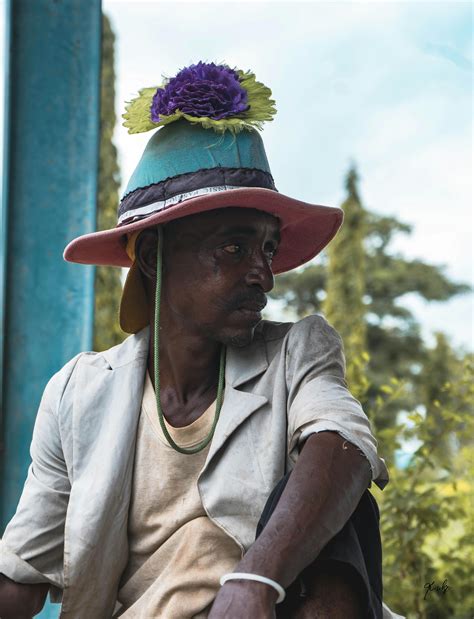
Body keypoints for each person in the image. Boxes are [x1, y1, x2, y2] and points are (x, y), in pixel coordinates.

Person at [0, 62, 390, 618]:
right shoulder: (78, 394)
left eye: (268, 249)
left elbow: (344, 444)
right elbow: (22, 574)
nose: (263, 275)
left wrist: (256, 579)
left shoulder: (295, 354)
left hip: (265, 608)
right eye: (234, 248)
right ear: (153, 257)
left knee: (343, 507)